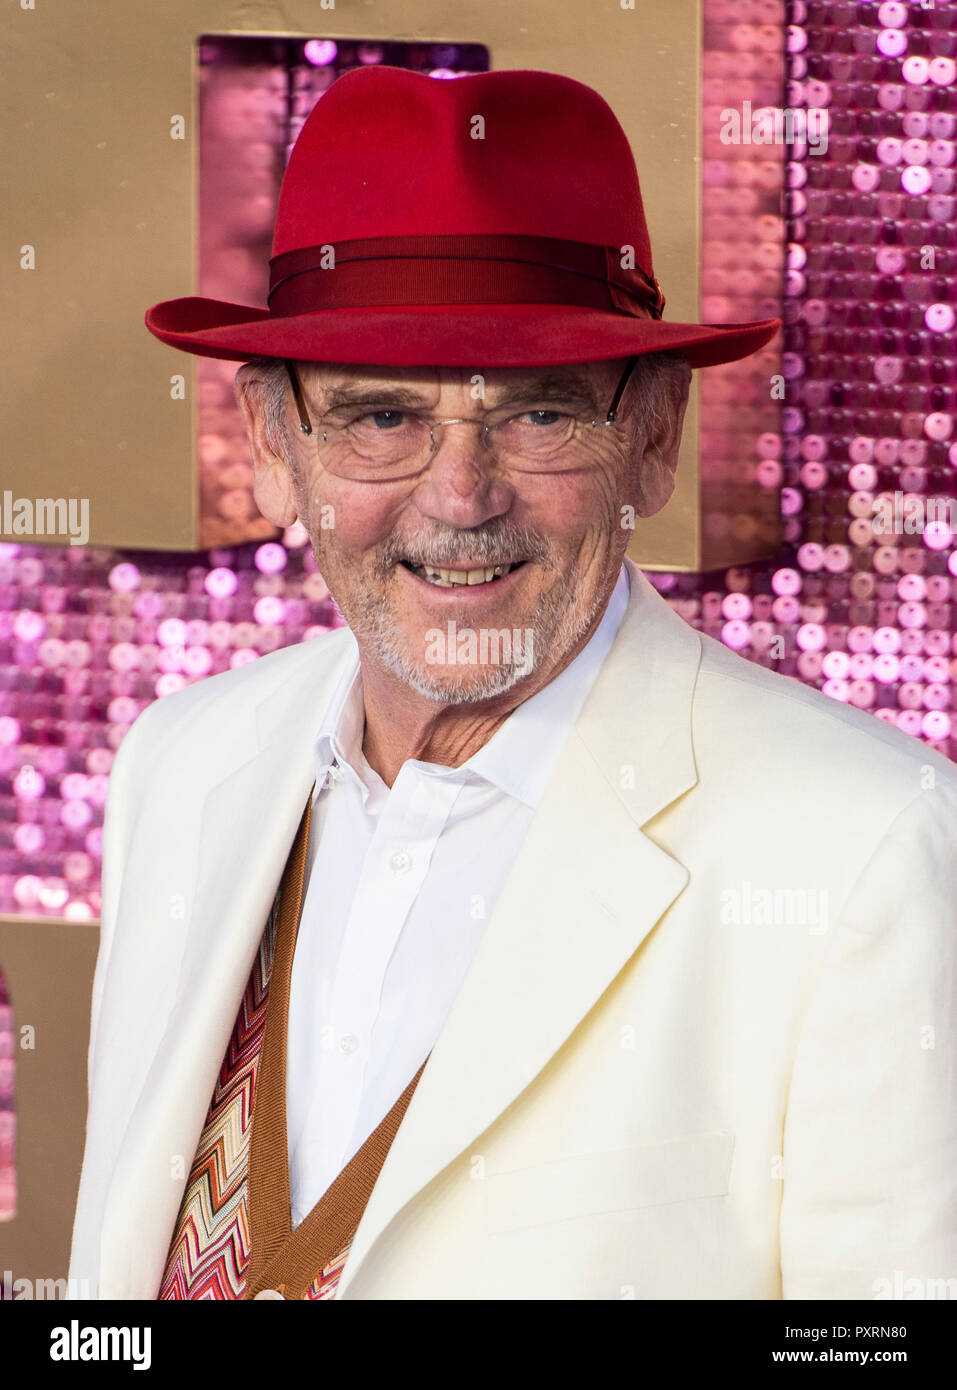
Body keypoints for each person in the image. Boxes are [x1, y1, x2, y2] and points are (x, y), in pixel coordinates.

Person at [69, 65, 956, 1301]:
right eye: (382, 417)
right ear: (273, 446)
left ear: (652, 435)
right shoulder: (181, 764)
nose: (458, 495)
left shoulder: (865, 845)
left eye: (539, 414)